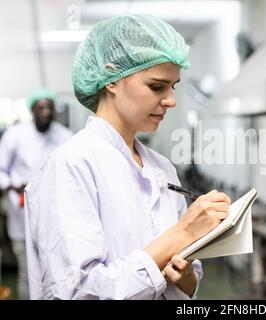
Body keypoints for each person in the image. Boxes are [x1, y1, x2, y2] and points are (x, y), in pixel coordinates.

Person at [24, 15, 231, 300]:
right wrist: (182, 233)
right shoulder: (71, 165)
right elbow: (74, 292)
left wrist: (185, 278)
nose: (171, 99)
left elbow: (189, 278)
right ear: (112, 79)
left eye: (174, 86)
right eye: (157, 86)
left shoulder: (162, 167)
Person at [0, 89, 73, 299]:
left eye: (49, 107)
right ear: (32, 109)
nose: (46, 112)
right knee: (26, 272)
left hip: (55, 216)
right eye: (40, 107)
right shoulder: (15, 135)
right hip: (20, 213)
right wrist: (13, 185)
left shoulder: (64, 136)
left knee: (56, 272)